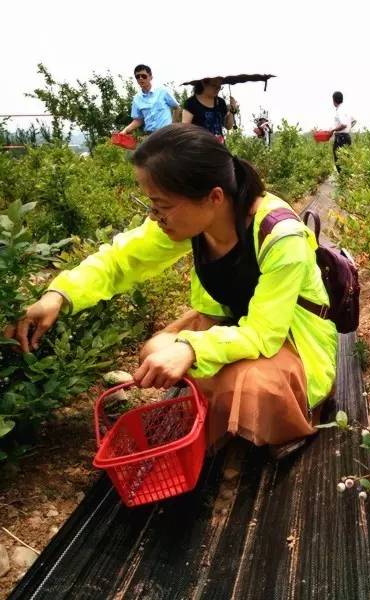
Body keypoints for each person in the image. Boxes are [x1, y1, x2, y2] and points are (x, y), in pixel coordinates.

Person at [6, 124, 337, 457]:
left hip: (289, 338)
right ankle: (227, 407)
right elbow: (123, 259)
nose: (155, 217)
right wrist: (59, 295)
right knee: (156, 350)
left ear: (214, 197)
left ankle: (293, 411)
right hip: (234, 323)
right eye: (151, 205)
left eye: (161, 205)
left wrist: (190, 349)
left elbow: (263, 334)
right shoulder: (193, 220)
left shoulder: (280, 236)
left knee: (253, 388)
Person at [120, 65, 179, 136]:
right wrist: (125, 130)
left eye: (144, 76)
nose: (140, 78)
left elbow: (176, 107)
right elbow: (138, 120)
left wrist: (173, 126)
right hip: (150, 135)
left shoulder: (162, 91)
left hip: (166, 133)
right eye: (137, 76)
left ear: (151, 77)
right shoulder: (136, 98)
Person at [330, 91, 355, 172]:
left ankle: (343, 181)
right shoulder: (346, 109)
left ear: (334, 100)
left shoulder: (339, 110)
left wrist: (333, 130)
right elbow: (354, 121)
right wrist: (349, 128)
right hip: (347, 137)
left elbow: (343, 124)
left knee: (339, 162)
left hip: (340, 139)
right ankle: (348, 182)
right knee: (347, 161)